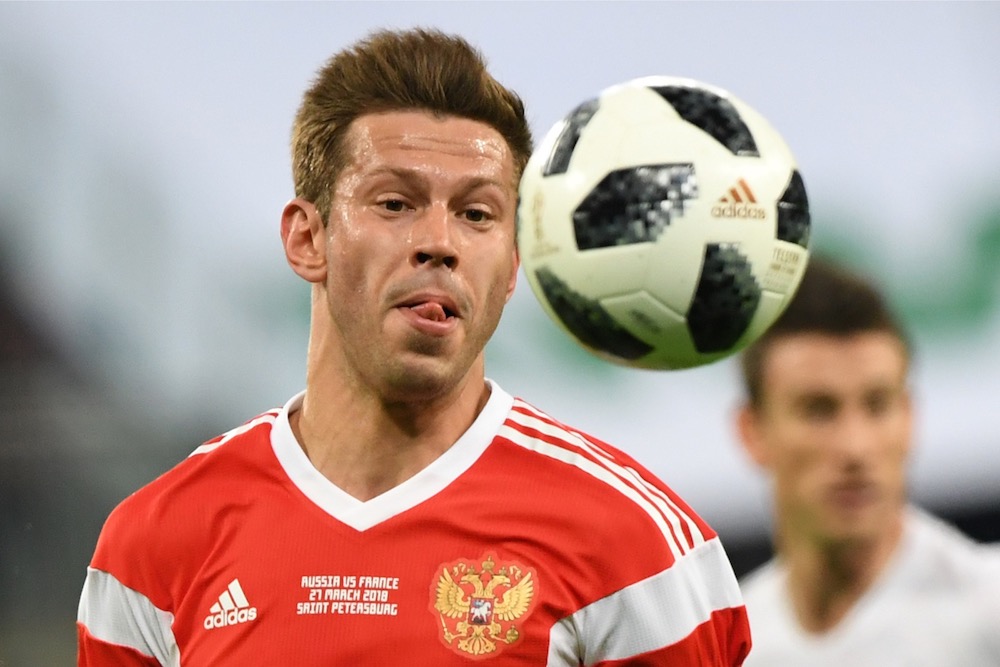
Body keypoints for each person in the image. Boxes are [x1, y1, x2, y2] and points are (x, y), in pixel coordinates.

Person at [76, 28, 750, 665]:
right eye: (395, 203)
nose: (440, 242)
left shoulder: (641, 550)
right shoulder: (156, 542)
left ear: (512, 264)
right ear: (307, 238)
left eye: (477, 213)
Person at [734, 256, 1000, 666]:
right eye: (818, 410)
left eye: (877, 405)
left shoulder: (988, 609)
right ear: (752, 432)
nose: (855, 448)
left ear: (910, 418)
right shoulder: (733, 646)